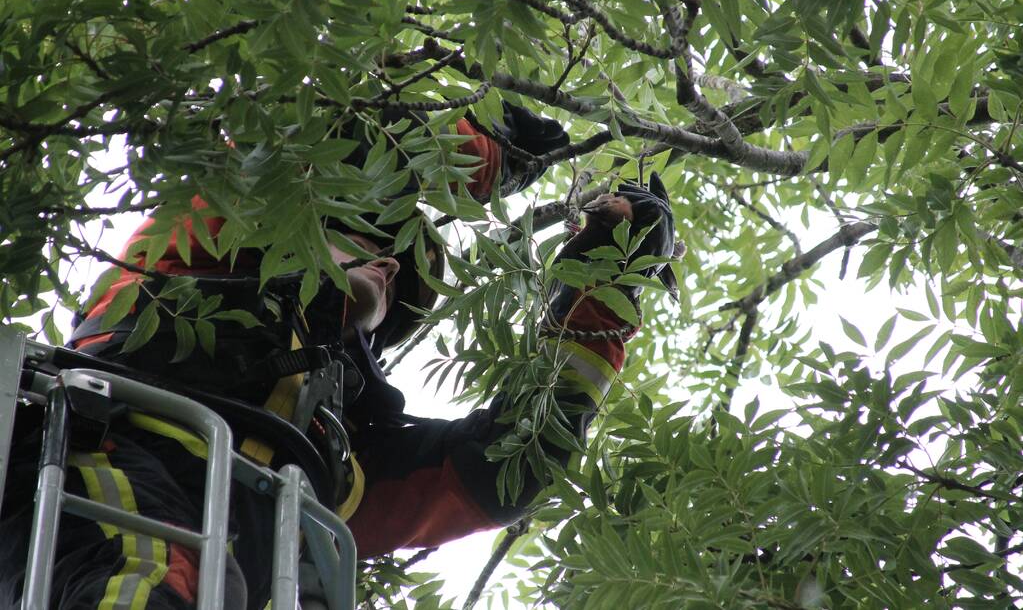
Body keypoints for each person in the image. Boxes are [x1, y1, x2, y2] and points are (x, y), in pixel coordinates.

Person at [0, 104, 676, 609]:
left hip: (219, 566)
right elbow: (320, 144)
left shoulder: (336, 450)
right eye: (367, 235)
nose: (389, 261)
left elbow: (504, 470)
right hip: (96, 457)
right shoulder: (184, 264)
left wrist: (599, 294)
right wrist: (477, 154)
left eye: (405, 279)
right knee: (146, 581)